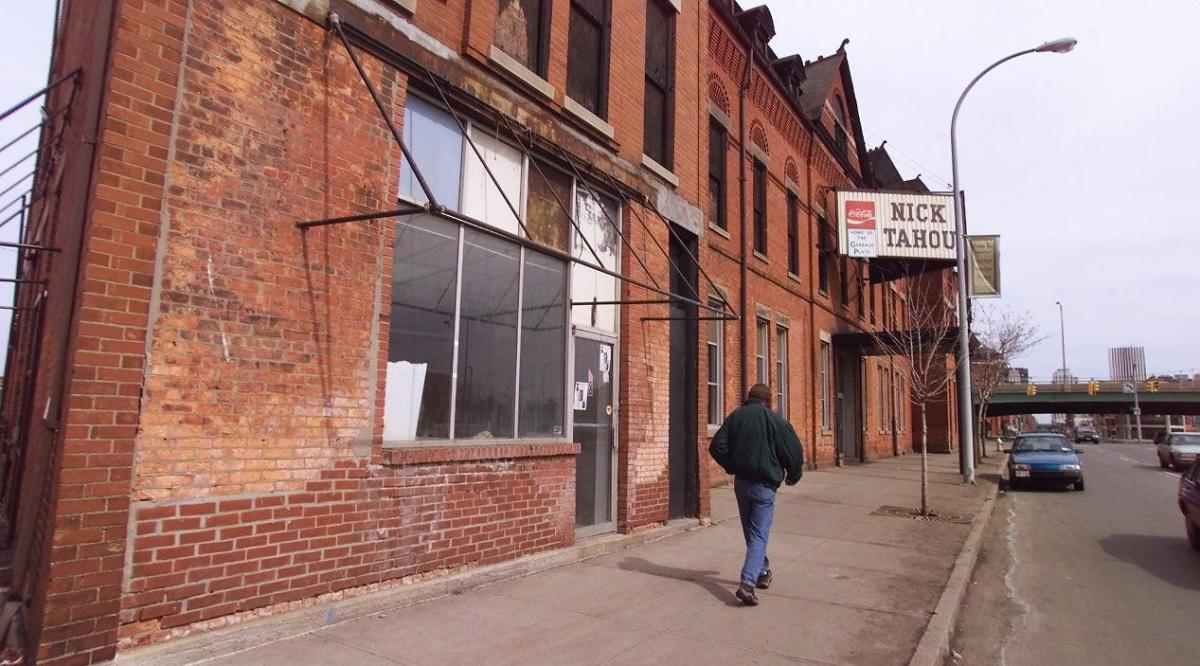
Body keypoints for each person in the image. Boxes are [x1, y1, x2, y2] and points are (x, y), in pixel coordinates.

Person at [709, 383, 805, 606]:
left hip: (742, 484)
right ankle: (747, 584)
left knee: (751, 533)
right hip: (764, 485)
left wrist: (732, 465)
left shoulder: (737, 417)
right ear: (768, 401)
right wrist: (793, 475)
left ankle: (762, 572)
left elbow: (717, 446)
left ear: (749, 398)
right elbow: (794, 452)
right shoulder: (776, 421)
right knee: (759, 535)